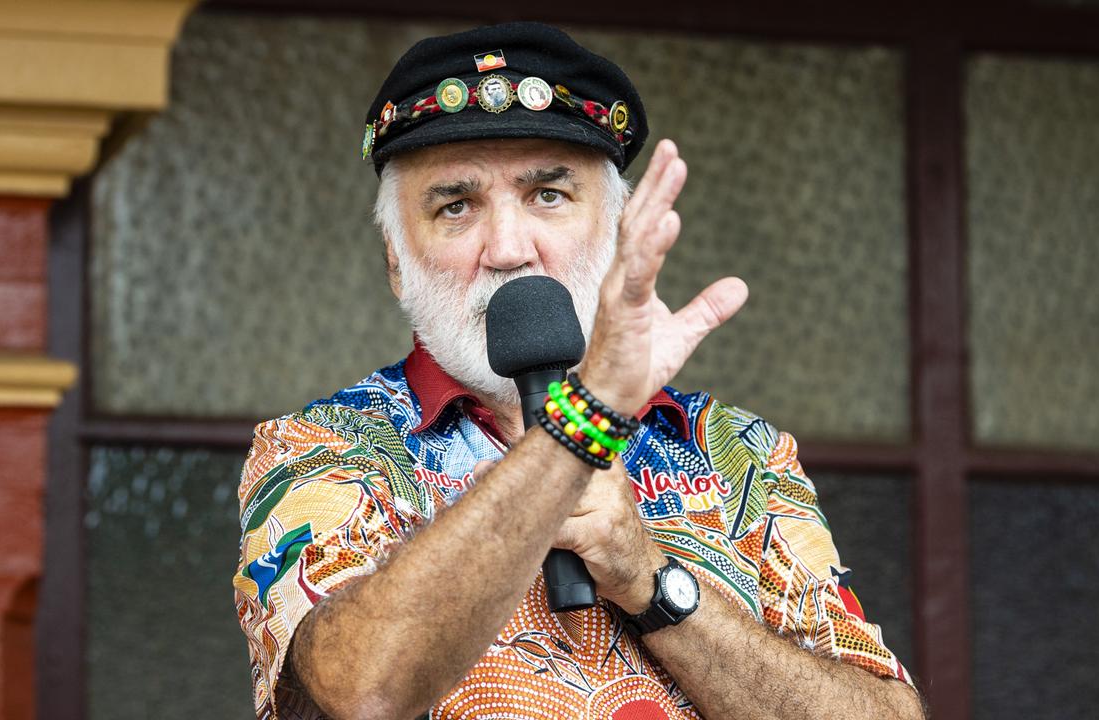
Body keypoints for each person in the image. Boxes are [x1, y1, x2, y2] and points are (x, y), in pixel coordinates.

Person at [233, 22, 924, 720]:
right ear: (394, 260)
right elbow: (363, 690)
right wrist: (581, 425)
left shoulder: (738, 451)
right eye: (455, 206)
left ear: (616, 231)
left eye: (549, 196)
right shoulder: (319, 448)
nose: (507, 249)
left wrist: (649, 578)